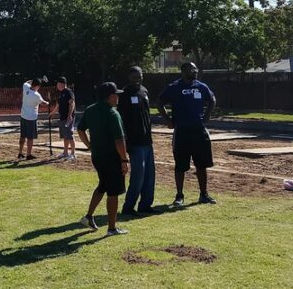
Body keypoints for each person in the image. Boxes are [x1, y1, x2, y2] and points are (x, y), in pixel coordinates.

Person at [158, 62, 217, 206]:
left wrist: (207, 115)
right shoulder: (174, 87)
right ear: (183, 71)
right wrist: (168, 120)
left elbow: (212, 99)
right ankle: (179, 196)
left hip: (199, 131)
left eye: (196, 69)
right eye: (192, 69)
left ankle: (204, 194)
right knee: (180, 166)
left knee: (201, 165)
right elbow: (159, 102)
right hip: (182, 132)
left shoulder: (201, 86)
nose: (195, 71)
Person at [77, 82, 130, 236]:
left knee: (103, 185)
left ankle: (88, 217)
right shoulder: (113, 113)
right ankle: (112, 228)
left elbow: (80, 129)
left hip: (97, 156)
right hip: (112, 157)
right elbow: (119, 140)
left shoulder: (90, 109)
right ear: (110, 96)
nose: (118, 97)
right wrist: (124, 160)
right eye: (116, 95)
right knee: (113, 192)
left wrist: (90, 146)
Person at [117, 66, 156, 215]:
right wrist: (125, 142)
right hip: (134, 142)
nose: (137, 79)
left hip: (147, 141)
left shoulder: (144, 91)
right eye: (134, 77)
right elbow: (121, 120)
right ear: (129, 77)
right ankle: (128, 207)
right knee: (138, 176)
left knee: (149, 175)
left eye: (139, 76)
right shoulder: (125, 94)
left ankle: (145, 205)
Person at [18, 78, 48, 160]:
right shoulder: (36, 95)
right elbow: (43, 103)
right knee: (30, 137)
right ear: (37, 86)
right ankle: (28, 154)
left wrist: (36, 79)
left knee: (22, 136)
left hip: (23, 116)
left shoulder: (25, 87)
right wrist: (48, 102)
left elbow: (26, 82)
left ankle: (20, 152)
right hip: (31, 118)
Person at [50, 76, 76, 160]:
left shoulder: (68, 92)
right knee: (65, 136)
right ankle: (65, 152)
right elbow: (58, 105)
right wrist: (53, 113)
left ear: (63, 84)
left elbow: (72, 103)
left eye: (58, 84)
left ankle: (73, 154)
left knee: (69, 135)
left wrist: (69, 115)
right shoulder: (61, 93)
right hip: (62, 117)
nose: (57, 85)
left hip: (68, 117)